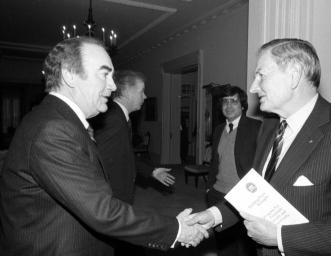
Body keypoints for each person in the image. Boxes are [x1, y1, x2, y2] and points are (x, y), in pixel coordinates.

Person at [0, 37, 207, 256]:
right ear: (70, 74)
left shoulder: (58, 119)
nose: (113, 85)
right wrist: (175, 229)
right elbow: (102, 211)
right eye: (104, 74)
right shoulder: (52, 129)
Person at [188, 38, 331, 256]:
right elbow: (256, 193)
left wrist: (281, 237)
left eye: (261, 76)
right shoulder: (269, 126)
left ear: (294, 74)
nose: (253, 87)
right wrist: (215, 215)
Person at [89, 70, 176, 255]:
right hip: (111, 197)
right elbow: (96, 158)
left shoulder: (119, 116)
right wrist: (104, 198)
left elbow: (124, 154)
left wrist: (152, 171)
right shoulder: (113, 119)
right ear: (127, 91)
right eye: (142, 91)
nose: (145, 96)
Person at [206, 85, 260, 256]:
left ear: (243, 105)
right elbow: (215, 162)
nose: (228, 106)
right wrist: (209, 187)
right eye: (225, 102)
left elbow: (262, 162)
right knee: (224, 245)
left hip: (244, 196)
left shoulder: (256, 127)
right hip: (218, 194)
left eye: (234, 102)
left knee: (246, 246)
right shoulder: (218, 129)